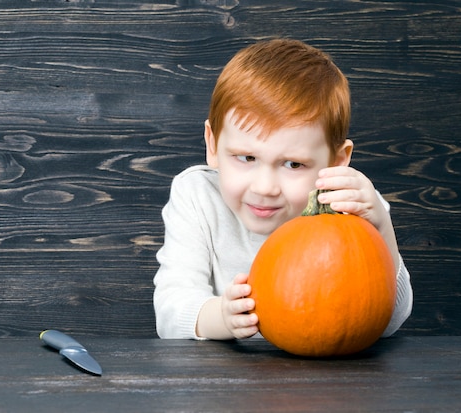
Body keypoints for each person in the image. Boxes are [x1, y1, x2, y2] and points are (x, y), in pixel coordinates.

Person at [153, 38, 413, 340]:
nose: (265, 188)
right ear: (212, 144)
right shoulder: (197, 197)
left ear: (337, 161)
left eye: (292, 164)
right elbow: (171, 314)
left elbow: (389, 320)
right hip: (223, 380)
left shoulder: (353, 205)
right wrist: (221, 318)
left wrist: (381, 224)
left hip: (333, 378)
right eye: (247, 158)